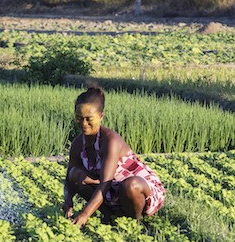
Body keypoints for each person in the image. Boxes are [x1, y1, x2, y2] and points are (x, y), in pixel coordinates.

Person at [63, 84, 165, 226]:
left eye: (89, 118)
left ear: (101, 116)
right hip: (113, 190)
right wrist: (67, 201)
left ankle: (136, 220)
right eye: (79, 118)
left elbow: (105, 184)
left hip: (138, 189)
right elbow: (69, 179)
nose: (84, 123)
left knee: (130, 185)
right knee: (75, 174)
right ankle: (109, 215)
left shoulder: (110, 140)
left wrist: (85, 214)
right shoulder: (77, 144)